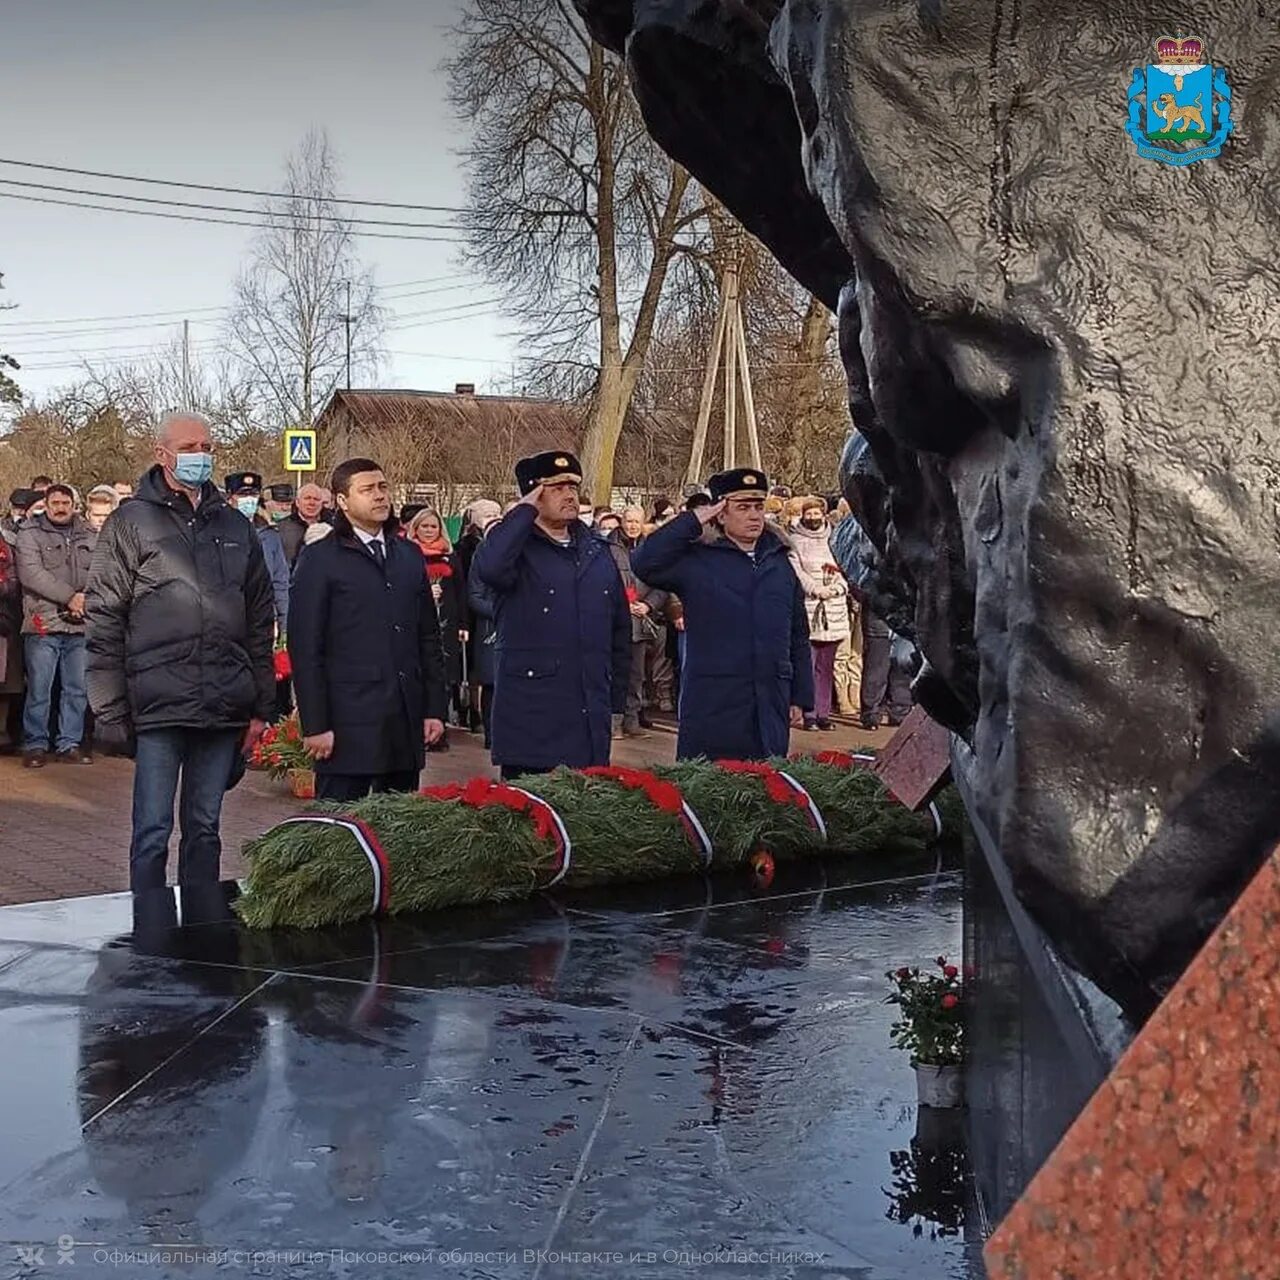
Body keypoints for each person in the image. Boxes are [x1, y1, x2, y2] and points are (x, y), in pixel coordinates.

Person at [85, 410, 276, 891]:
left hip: (223, 701)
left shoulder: (235, 525)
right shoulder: (130, 522)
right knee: (151, 832)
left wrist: (261, 704)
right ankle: (149, 942)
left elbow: (259, 617)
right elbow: (105, 614)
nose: (201, 456)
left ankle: (201, 935)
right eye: (190, 448)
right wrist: (109, 706)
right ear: (162, 453)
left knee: (205, 829)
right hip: (158, 702)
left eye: (207, 447)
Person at [287, 457, 448, 802]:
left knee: (398, 831)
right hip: (347, 723)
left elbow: (428, 638)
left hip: (402, 721)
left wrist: (434, 707)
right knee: (342, 832)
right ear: (342, 501)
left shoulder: (407, 555)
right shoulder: (321, 559)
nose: (379, 496)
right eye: (367, 490)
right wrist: (315, 724)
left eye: (382, 487)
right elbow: (306, 646)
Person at [633, 467, 814, 761]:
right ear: (720, 513)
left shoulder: (779, 563)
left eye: (758, 506)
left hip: (768, 702)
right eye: (742, 507)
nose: (754, 515)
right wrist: (692, 520)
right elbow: (645, 563)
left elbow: (797, 633)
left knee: (768, 791)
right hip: (714, 702)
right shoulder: (698, 560)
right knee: (711, 792)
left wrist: (799, 696)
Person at [472, 450, 630, 779]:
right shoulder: (515, 551)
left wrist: (616, 700)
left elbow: (618, 629)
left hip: (588, 713)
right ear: (533, 494)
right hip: (532, 718)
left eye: (573, 487)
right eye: (556, 488)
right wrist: (523, 512)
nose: (570, 495)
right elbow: (489, 567)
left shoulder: (596, 551)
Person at [14, 483, 97, 767]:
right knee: (40, 687)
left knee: (77, 688)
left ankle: (68, 743)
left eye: (65, 503)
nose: (60, 508)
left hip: (81, 622)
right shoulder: (29, 534)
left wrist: (83, 600)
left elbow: (101, 570)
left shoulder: (90, 534)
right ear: (46, 505)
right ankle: (35, 743)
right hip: (43, 621)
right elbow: (31, 574)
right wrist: (69, 597)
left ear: (74, 505)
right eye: (55, 503)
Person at [609, 506, 674, 735]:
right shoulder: (608, 547)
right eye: (628, 521)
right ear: (621, 522)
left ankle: (631, 719)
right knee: (614, 672)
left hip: (640, 617)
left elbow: (662, 583)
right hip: (614, 618)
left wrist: (648, 605)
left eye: (637, 521)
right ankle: (613, 723)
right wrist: (619, 602)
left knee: (636, 674)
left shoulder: (652, 549)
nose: (632, 526)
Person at [406, 508, 469, 742]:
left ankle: (439, 726)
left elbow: (461, 591)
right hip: (418, 620)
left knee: (444, 674)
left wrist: (463, 623)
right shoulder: (408, 553)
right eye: (425, 527)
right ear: (416, 528)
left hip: (447, 621)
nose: (429, 531)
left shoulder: (450, 556)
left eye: (433, 527)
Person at [788, 495, 851, 730]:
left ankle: (824, 712)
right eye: (809, 513)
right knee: (807, 663)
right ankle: (808, 712)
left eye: (817, 513)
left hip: (834, 609)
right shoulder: (794, 540)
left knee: (827, 666)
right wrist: (815, 589)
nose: (813, 517)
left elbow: (846, 567)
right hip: (809, 606)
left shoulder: (835, 539)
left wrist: (837, 587)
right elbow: (796, 570)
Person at [224, 473, 290, 640]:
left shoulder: (269, 535)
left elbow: (280, 581)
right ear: (230, 497)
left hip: (264, 619)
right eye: (242, 495)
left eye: (253, 494)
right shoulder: (218, 531)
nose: (248, 499)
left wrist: (285, 624)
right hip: (228, 620)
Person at [465, 510, 503, 749]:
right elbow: (474, 596)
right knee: (491, 682)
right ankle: (491, 733)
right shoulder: (481, 559)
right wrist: (501, 611)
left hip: (518, 629)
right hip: (490, 627)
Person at [278, 482, 328, 566]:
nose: (312, 503)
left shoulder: (332, 527)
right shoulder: (282, 528)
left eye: (316, 499)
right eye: (307, 498)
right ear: (297, 502)